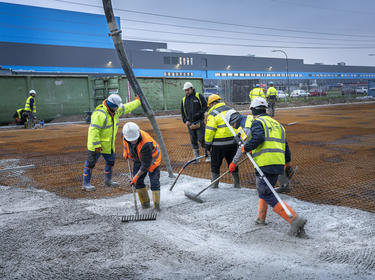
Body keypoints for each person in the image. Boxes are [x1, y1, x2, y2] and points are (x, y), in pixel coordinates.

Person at [241, 97, 307, 237]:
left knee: (266, 192)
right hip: (277, 162)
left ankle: (294, 219)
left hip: (265, 162)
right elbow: (286, 147)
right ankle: (261, 218)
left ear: (253, 110)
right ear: (265, 109)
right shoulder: (277, 124)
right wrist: (287, 164)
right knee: (265, 190)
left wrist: (246, 147)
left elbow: (258, 138)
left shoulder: (258, 122)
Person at [82, 94, 141, 191]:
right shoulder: (99, 114)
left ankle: (108, 181)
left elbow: (127, 107)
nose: (118, 108)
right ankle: (85, 184)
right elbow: (93, 131)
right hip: (96, 145)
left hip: (108, 145)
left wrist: (138, 101)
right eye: (116, 106)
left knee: (110, 162)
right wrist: (96, 145)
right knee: (90, 164)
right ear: (111, 105)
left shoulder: (115, 110)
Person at [122, 122, 162, 211]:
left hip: (152, 160)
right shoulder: (126, 136)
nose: (133, 141)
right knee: (138, 182)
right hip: (138, 158)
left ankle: (156, 206)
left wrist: (136, 176)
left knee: (154, 182)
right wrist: (126, 152)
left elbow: (145, 165)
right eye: (131, 140)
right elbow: (125, 144)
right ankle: (145, 203)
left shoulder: (146, 143)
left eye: (135, 140)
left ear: (138, 134)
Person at [204, 94, 240, 188]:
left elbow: (210, 131)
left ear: (212, 103)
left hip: (218, 145)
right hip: (233, 143)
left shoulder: (213, 114)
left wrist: (207, 145)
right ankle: (237, 184)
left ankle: (214, 185)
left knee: (215, 165)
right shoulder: (231, 110)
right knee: (233, 163)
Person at [181, 82, 208, 161]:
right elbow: (183, 112)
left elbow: (205, 106)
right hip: (190, 123)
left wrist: (199, 113)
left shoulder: (198, 96)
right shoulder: (183, 100)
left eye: (188, 90)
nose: (187, 92)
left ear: (191, 89)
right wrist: (185, 121)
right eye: (185, 90)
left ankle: (208, 155)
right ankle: (196, 157)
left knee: (202, 139)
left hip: (199, 122)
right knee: (193, 140)